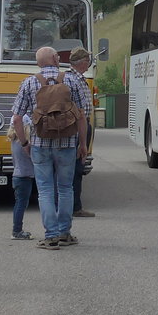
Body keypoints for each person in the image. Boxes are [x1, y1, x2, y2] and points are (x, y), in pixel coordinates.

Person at [11, 46, 90, 250]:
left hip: (40, 144)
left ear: (38, 63)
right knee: (65, 188)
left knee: (45, 191)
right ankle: (65, 233)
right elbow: (82, 116)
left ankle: (51, 236)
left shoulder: (29, 82)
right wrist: (83, 145)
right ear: (55, 59)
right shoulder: (72, 80)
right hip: (67, 144)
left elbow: (17, 118)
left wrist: (25, 143)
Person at [66, 47, 96, 219]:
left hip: (79, 125)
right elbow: (80, 111)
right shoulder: (75, 81)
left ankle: (73, 204)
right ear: (83, 62)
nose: (88, 64)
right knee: (77, 167)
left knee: (76, 167)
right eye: (87, 61)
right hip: (79, 127)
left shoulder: (73, 78)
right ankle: (75, 206)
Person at [8, 113, 35, 239]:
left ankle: (17, 229)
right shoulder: (24, 145)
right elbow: (33, 158)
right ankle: (17, 230)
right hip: (24, 176)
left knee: (19, 203)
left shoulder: (14, 142)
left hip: (17, 175)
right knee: (21, 204)